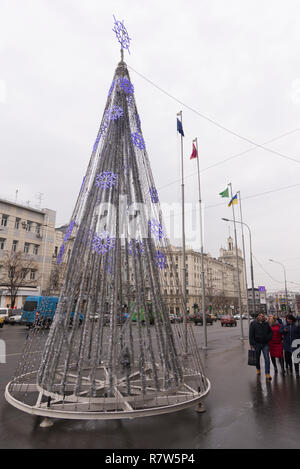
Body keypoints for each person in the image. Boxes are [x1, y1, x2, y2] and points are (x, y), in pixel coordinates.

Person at [249, 313, 273, 381]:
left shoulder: (266, 323)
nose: (262, 317)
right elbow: (251, 334)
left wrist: (268, 338)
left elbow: (270, 332)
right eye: (260, 316)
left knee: (267, 359)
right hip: (257, 344)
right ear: (258, 316)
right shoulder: (253, 323)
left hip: (265, 344)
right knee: (257, 359)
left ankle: (267, 374)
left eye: (263, 316)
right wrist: (252, 343)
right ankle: (258, 369)